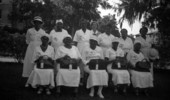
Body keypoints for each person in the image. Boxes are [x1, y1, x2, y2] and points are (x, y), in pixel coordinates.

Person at [73, 19, 92, 84]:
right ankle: (80, 79)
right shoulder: (77, 32)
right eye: (82, 24)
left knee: (87, 62)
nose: (84, 25)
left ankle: (87, 79)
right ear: (81, 25)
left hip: (88, 49)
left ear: (87, 25)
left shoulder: (90, 32)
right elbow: (75, 41)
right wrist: (75, 50)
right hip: (80, 48)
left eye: (85, 23)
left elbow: (92, 41)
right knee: (80, 63)